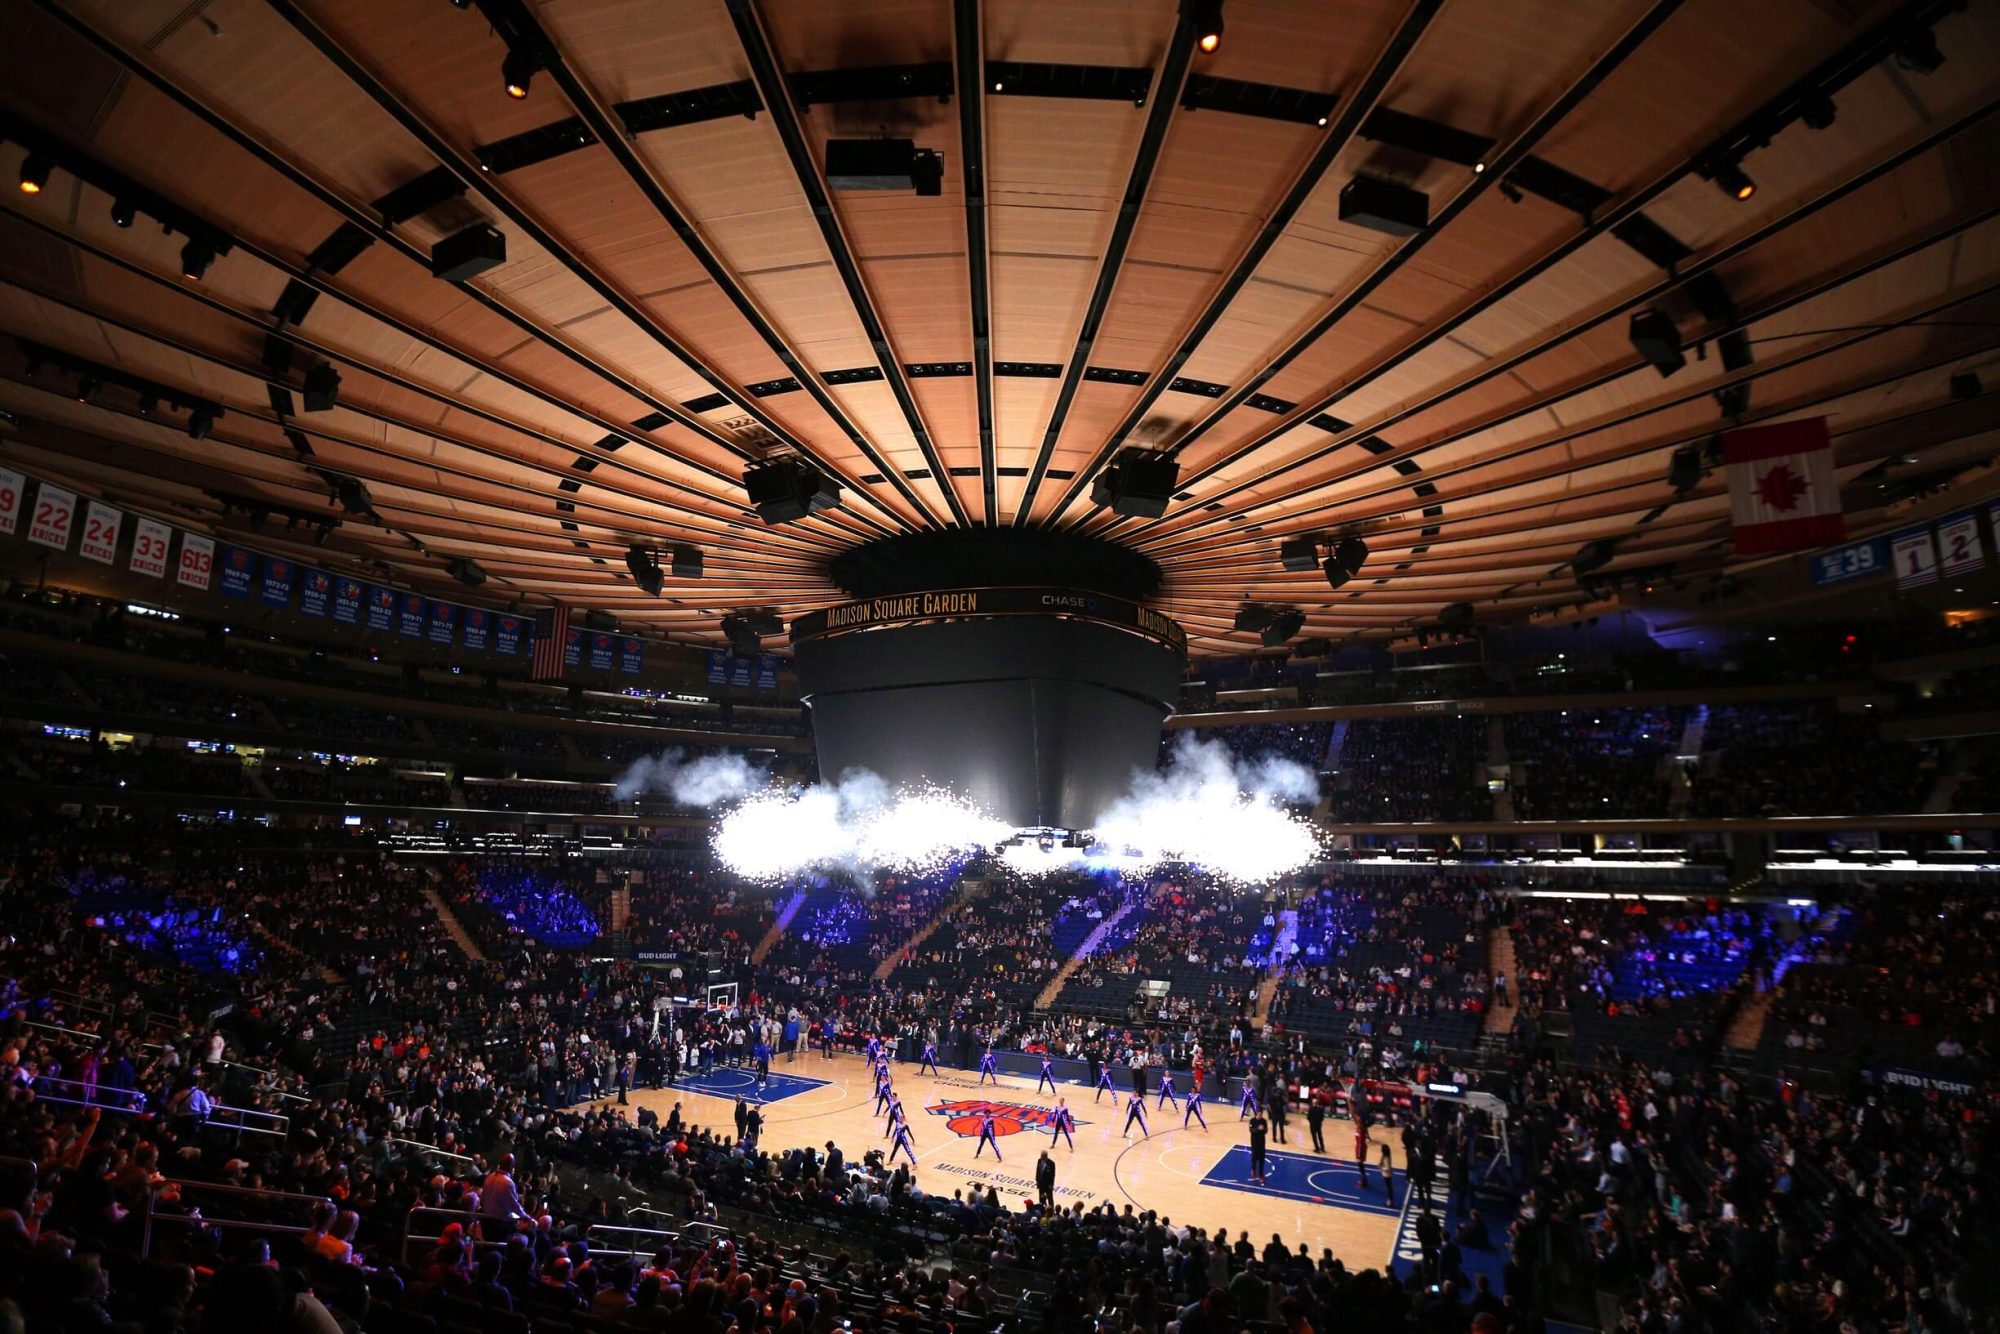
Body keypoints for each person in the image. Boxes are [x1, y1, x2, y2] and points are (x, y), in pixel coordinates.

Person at [1248, 1110, 1269, 1185]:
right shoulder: (1252, 1121)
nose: (1260, 1116)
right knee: (1254, 1158)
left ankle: (1261, 1174)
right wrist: (1258, 1129)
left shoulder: (1264, 1121)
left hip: (1262, 1143)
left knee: (1261, 1160)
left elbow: (1266, 1130)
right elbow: (1251, 1130)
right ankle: (1253, 1169)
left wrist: (1263, 1129)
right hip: (1254, 1143)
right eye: (1259, 1114)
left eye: (1261, 1114)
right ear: (1256, 1114)